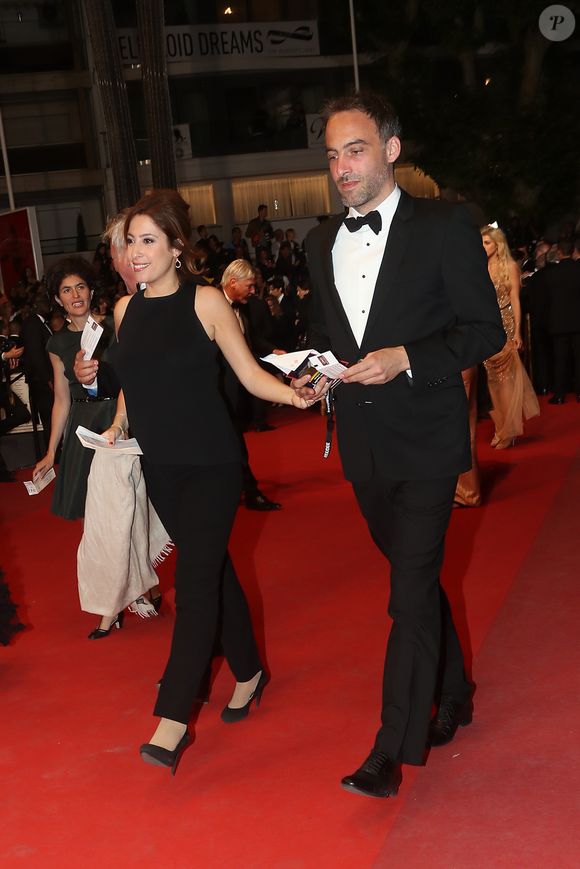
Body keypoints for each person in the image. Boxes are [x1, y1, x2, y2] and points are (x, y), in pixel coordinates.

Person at [294, 91, 505, 799]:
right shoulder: (319, 242)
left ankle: (390, 748)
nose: (342, 168)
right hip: (363, 445)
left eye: (355, 151)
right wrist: (313, 373)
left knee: (406, 592)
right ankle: (456, 691)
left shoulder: (445, 225)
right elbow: (328, 337)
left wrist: (408, 357)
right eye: (332, 155)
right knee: (416, 580)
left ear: (390, 149)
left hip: (427, 439)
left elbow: (485, 330)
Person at [103, 189, 310, 773]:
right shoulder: (124, 310)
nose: (135, 251)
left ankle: (173, 717)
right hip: (161, 467)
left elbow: (248, 375)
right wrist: (117, 419)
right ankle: (249, 672)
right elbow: (133, 380)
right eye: (130, 241)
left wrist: (294, 395)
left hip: (212, 465)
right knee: (211, 567)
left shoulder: (207, 301)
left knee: (193, 584)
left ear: (175, 247)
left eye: (148, 241)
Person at [32, 256, 115, 519]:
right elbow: (61, 399)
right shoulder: (57, 344)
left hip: (117, 416)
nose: (75, 295)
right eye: (66, 290)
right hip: (83, 425)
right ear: (58, 300)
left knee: (122, 500)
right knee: (90, 507)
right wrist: (50, 452)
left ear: (91, 291)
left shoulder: (114, 326)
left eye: (80, 287)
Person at [219, 259, 282, 509]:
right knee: (233, 443)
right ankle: (250, 491)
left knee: (233, 442)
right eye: (250, 286)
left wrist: (273, 351)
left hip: (238, 388)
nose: (253, 291)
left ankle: (238, 490)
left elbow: (249, 340)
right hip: (218, 391)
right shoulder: (209, 306)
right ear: (233, 282)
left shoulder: (242, 308)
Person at [481, 225, 540, 446]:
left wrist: (517, 331)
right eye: (481, 242)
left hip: (504, 325)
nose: (483, 246)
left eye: (487, 242)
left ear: (498, 245)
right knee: (491, 380)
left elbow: (515, 299)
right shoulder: (479, 266)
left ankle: (508, 431)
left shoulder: (510, 266)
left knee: (505, 380)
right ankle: (501, 427)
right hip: (485, 328)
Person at [544, 240, 580, 404]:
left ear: (558, 252)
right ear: (573, 251)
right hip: (578, 321)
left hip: (558, 322)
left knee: (560, 360)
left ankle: (559, 394)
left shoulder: (551, 273)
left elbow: (547, 300)